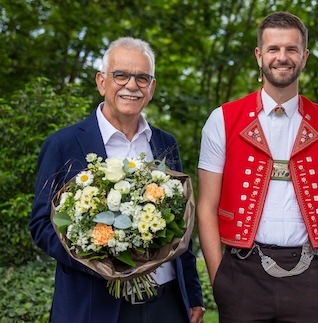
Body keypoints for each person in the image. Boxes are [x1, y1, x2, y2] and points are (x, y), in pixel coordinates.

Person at [29, 37, 205, 323]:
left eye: (142, 78)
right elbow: (41, 225)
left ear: (152, 87)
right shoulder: (62, 144)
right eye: (120, 75)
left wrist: (194, 295)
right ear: (101, 82)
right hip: (96, 305)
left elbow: (183, 224)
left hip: (167, 303)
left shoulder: (164, 142)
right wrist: (99, 256)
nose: (132, 85)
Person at [197, 11, 318, 323]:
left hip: (310, 276)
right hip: (240, 274)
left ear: (304, 56)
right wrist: (219, 277)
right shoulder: (222, 119)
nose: (282, 57)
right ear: (259, 55)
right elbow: (206, 206)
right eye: (273, 49)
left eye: (291, 49)